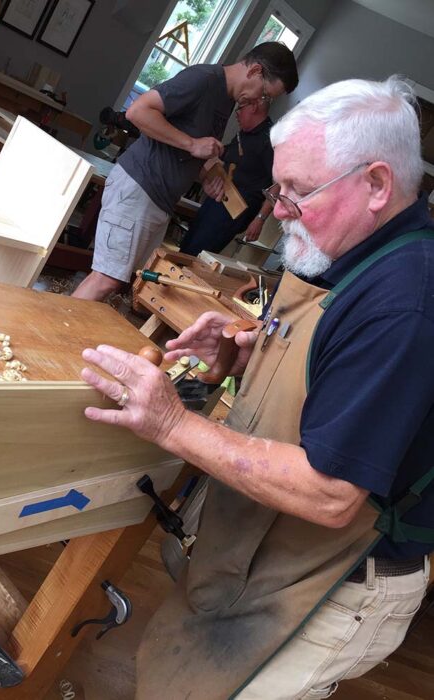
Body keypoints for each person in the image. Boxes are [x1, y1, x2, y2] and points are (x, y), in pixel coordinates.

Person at [80, 76, 434, 699]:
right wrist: (247, 359)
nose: (276, 210)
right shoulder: (352, 256)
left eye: (299, 191)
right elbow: (334, 383)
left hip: (331, 579)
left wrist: (171, 425)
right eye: (278, 188)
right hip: (262, 551)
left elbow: (331, 492)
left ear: (378, 184)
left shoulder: (406, 302)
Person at [71, 42, 298, 302]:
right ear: (255, 71)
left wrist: (204, 175)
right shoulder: (203, 80)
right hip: (139, 186)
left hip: (159, 199)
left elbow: (184, 149)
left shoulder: (225, 100)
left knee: (134, 282)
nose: (260, 102)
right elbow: (138, 111)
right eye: (266, 94)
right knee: (106, 279)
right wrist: (193, 144)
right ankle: (56, 339)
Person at [179, 96, 275, 255]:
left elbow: (278, 184)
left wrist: (260, 219)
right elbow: (226, 156)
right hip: (215, 200)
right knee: (186, 247)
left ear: (254, 107)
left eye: (240, 108)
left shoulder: (270, 139)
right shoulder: (244, 134)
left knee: (197, 255)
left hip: (234, 211)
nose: (237, 113)